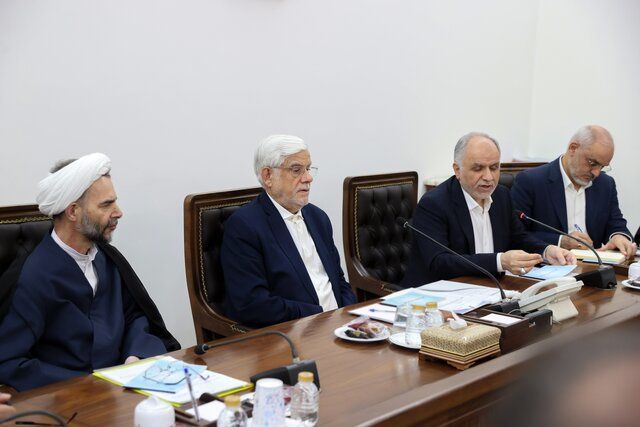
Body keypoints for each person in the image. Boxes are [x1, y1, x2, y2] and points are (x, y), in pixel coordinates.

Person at [0, 153, 179, 391]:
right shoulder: (33, 277)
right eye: (106, 205)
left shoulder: (107, 259)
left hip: (127, 386)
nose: (118, 212)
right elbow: (10, 361)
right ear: (73, 212)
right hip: (70, 398)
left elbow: (134, 316)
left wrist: (135, 356)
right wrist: (86, 385)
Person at [401, 132, 575, 287]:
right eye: (478, 168)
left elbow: (519, 238)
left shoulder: (501, 196)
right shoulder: (434, 203)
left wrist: (546, 251)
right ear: (457, 170)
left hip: (490, 289)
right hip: (438, 296)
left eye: (494, 167)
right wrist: (499, 261)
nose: (488, 177)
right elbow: (440, 262)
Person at [221, 135, 356, 327]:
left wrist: (348, 315)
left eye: (308, 168)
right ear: (268, 176)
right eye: (296, 170)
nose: (308, 178)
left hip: (341, 326)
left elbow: (339, 281)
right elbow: (252, 304)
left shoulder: (318, 217)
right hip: (294, 332)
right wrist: (320, 315)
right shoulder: (244, 226)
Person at [511, 125, 636, 259]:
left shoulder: (605, 184)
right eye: (592, 163)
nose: (596, 173)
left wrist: (618, 236)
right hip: (550, 264)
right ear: (573, 148)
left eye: (602, 166)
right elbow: (516, 234)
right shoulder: (531, 181)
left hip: (594, 265)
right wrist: (561, 241)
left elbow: (616, 223)